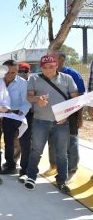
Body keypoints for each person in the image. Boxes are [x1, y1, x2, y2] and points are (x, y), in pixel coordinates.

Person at [24, 54, 78, 194]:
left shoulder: (67, 78)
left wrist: (66, 115)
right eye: (45, 67)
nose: (48, 70)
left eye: (51, 67)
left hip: (61, 122)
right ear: (41, 67)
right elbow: (29, 96)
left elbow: (75, 99)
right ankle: (31, 177)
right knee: (36, 150)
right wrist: (37, 99)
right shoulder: (34, 78)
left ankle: (61, 181)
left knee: (62, 154)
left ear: (56, 66)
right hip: (40, 121)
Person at [45, 52, 86, 182]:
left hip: (71, 114)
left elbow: (80, 96)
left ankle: (71, 170)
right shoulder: (48, 74)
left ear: (62, 59)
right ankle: (54, 165)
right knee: (52, 140)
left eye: (54, 58)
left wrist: (79, 117)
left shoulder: (73, 74)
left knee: (71, 142)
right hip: (52, 113)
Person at [0, 60, 31, 175]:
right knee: (7, 142)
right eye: (7, 72)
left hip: (16, 115)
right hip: (1, 115)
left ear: (17, 71)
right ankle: (9, 163)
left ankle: (17, 166)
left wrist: (19, 115)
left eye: (13, 72)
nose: (10, 75)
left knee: (16, 142)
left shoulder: (23, 84)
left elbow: (26, 102)